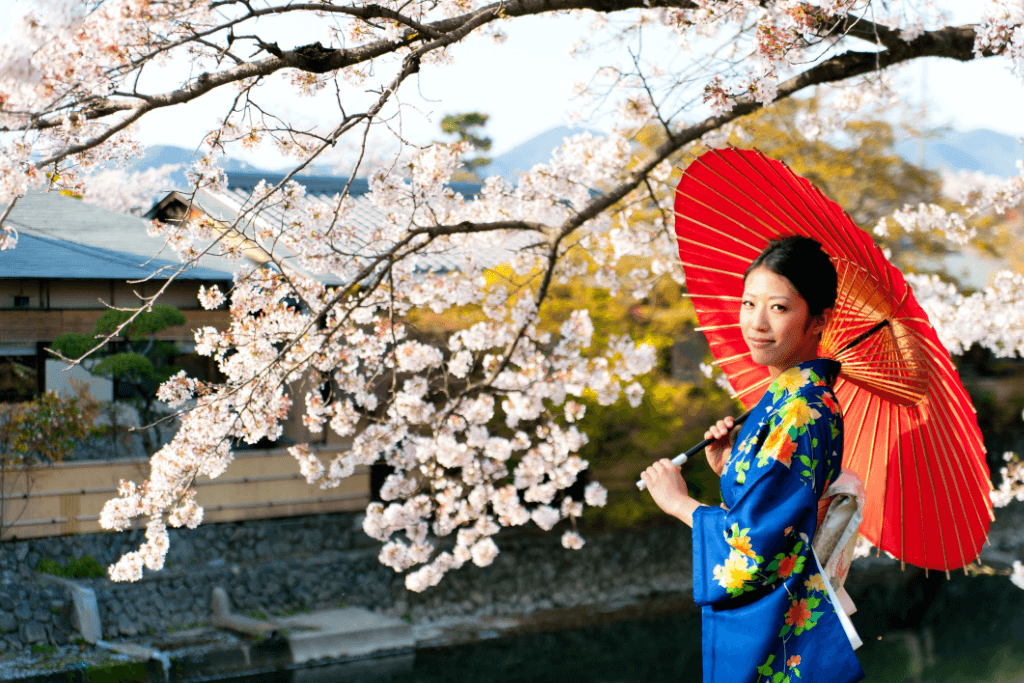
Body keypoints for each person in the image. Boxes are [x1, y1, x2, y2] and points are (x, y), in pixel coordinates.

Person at [641, 236, 865, 683]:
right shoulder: (790, 400)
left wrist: (679, 502)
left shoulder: (801, 410)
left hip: (778, 629)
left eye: (779, 308)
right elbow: (773, 500)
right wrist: (731, 467)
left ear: (820, 320)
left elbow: (757, 545)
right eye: (748, 304)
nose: (757, 323)